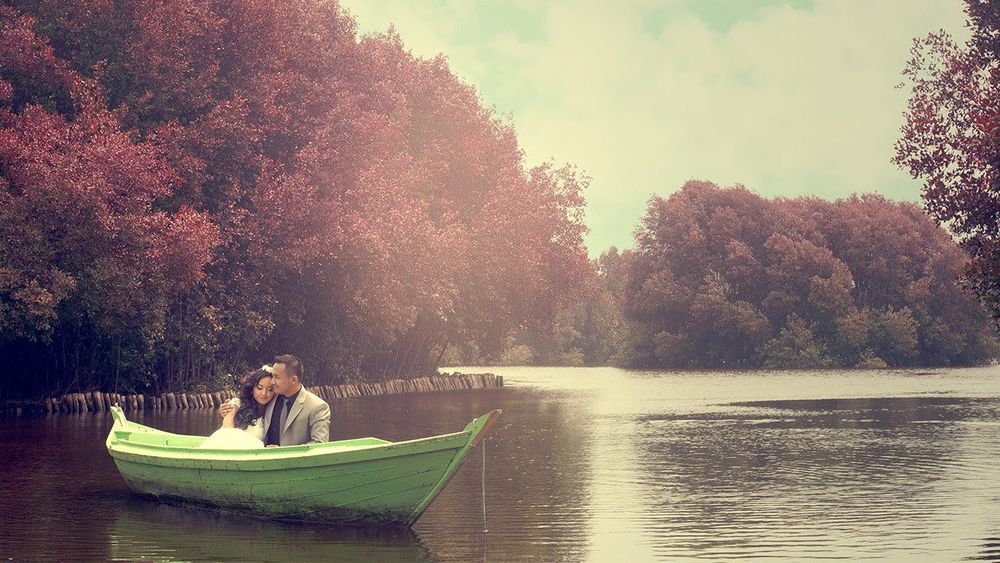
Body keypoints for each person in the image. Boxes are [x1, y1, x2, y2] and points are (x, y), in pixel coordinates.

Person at [262, 354, 330, 446]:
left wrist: (283, 452)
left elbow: (319, 444)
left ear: (293, 380)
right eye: (272, 376)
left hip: (297, 460)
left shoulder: (317, 407)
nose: (272, 381)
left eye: (277, 377)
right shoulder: (269, 397)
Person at [200, 367, 275, 449]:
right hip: (226, 448)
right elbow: (227, 432)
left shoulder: (274, 411)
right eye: (259, 388)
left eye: (270, 389)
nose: (264, 393)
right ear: (252, 388)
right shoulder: (236, 404)